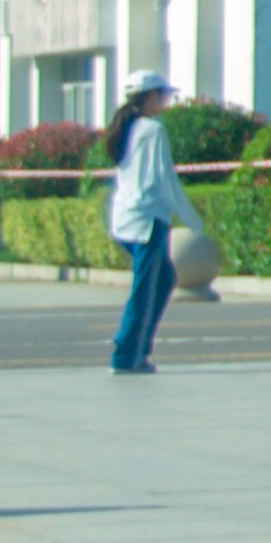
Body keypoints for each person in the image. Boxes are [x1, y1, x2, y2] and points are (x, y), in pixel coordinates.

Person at [107, 74, 206, 374]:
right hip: (147, 220)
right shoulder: (152, 130)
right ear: (148, 97)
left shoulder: (127, 128)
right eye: (162, 95)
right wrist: (192, 219)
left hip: (127, 217)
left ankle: (138, 351)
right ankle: (126, 356)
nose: (164, 101)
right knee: (145, 289)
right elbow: (164, 179)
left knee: (162, 280)